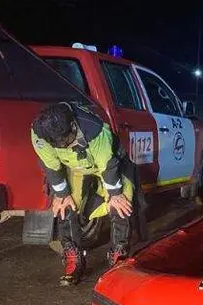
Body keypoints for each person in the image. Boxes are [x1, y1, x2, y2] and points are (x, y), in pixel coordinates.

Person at [31, 102, 134, 286]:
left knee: (121, 203)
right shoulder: (39, 134)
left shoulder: (93, 129)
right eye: (58, 144)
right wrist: (62, 193)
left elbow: (107, 165)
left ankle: (119, 255)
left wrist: (115, 194)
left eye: (67, 140)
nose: (64, 146)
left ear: (73, 126)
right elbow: (52, 167)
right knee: (64, 205)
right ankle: (74, 257)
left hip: (111, 164)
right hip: (77, 168)